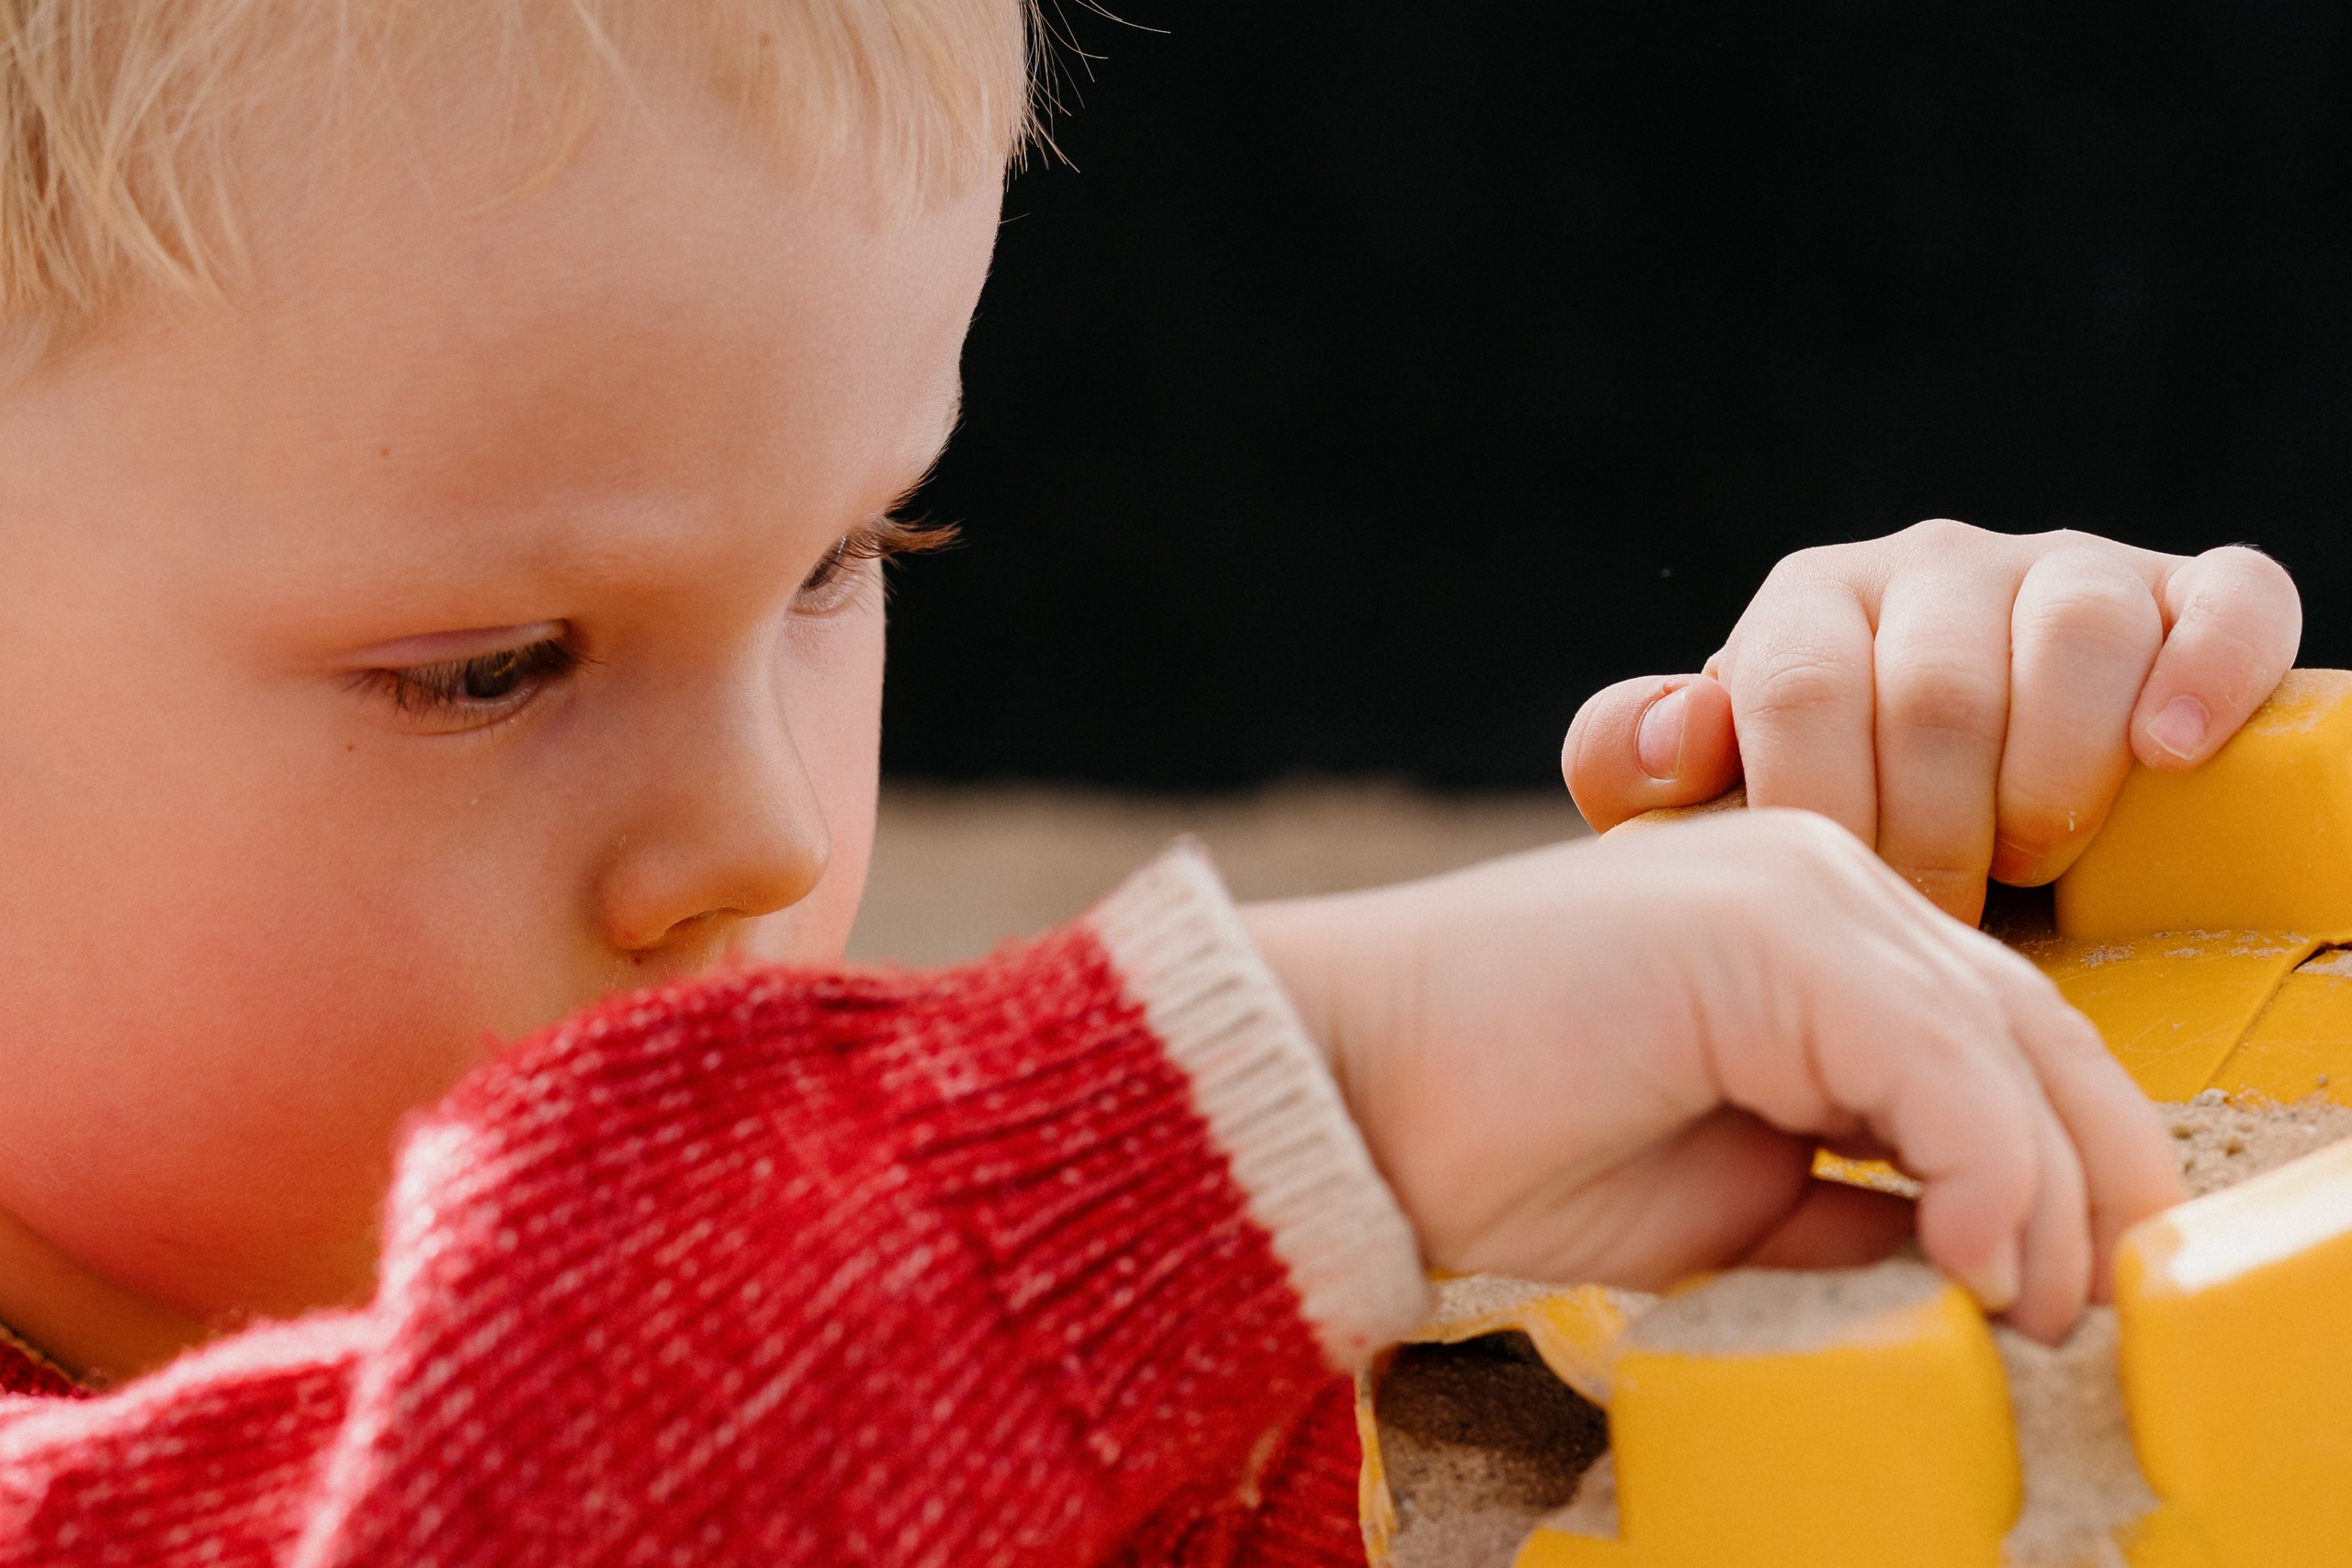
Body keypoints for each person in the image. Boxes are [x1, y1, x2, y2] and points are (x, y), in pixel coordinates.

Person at [0, 3, 2282, 1562]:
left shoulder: (832, 1252)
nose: (770, 837)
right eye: (490, 666)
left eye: (838, 557)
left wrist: (1878, 871)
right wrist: (1261, 1106)